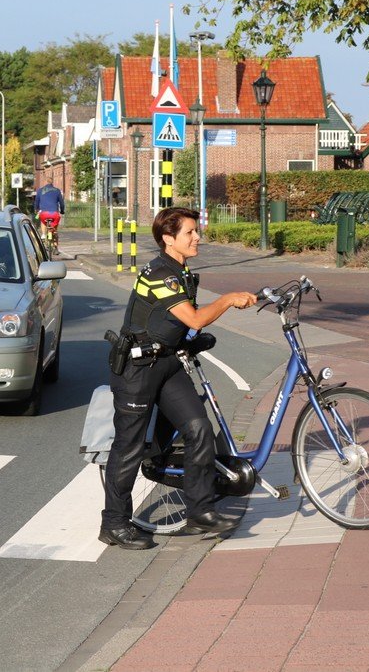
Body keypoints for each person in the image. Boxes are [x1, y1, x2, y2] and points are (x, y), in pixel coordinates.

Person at [101, 207, 257, 550]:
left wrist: (189, 342)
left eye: (195, 230)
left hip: (167, 364)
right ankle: (113, 523)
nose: (197, 236)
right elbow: (194, 318)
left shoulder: (181, 271)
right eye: (190, 232)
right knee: (128, 447)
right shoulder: (160, 273)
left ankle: (200, 511)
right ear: (169, 239)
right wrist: (229, 299)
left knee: (198, 428)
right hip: (138, 370)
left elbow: (175, 325)